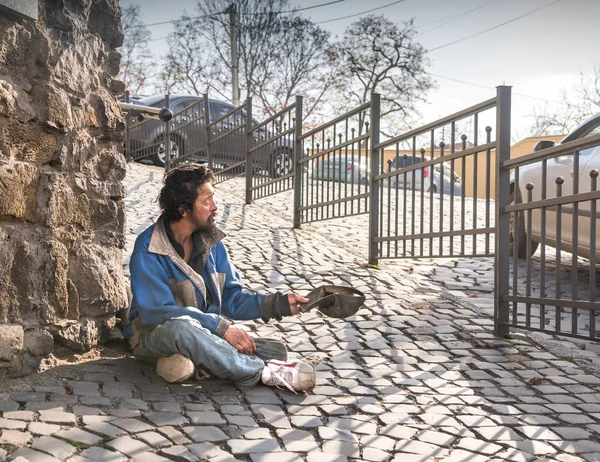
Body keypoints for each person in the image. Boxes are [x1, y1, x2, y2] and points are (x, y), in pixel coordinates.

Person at [122, 164, 316, 392]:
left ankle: (195, 362)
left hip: (203, 332)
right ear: (184, 209)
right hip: (153, 335)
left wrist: (278, 304)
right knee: (182, 329)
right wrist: (220, 328)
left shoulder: (211, 243)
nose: (215, 207)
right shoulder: (148, 249)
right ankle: (261, 371)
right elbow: (157, 314)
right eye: (207, 201)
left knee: (276, 350)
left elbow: (230, 299)